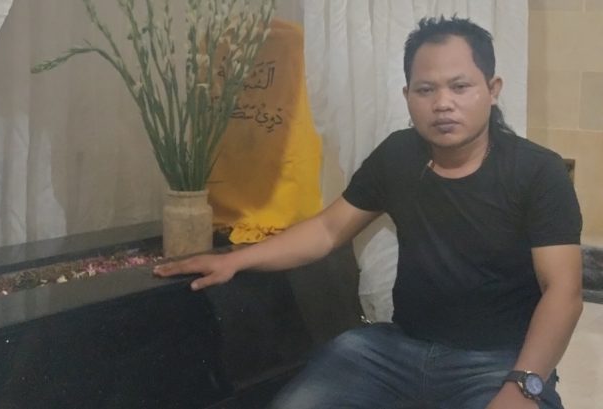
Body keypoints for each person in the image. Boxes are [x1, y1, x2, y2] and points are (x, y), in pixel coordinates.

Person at [154, 16, 582, 409]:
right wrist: (235, 260)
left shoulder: (536, 171)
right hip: (396, 350)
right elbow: (328, 229)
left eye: (460, 86)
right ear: (407, 96)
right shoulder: (398, 155)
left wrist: (523, 385)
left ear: (492, 89)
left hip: (498, 360)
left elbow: (563, 291)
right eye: (426, 90)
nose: (443, 103)